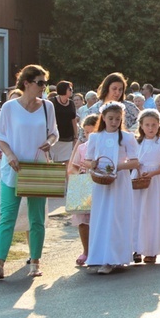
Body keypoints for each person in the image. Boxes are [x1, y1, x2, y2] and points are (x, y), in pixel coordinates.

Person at [0, 66, 58, 280]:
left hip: (37, 169)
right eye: (40, 83)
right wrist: (10, 155)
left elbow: (54, 132)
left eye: (45, 83)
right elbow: (1, 136)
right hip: (13, 168)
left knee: (36, 218)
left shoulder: (47, 107)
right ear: (26, 83)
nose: (44, 87)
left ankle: (35, 261)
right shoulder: (9, 107)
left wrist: (49, 142)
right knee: (7, 216)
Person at [85, 102, 140, 275]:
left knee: (117, 217)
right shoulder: (95, 137)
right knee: (102, 216)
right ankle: (101, 256)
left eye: (117, 119)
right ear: (103, 118)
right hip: (101, 183)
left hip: (119, 181)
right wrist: (93, 164)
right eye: (110, 118)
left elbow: (135, 161)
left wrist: (116, 167)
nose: (114, 122)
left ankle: (116, 256)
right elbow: (87, 160)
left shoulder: (126, 137)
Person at [132, 109, 160, 264]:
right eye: (147, 125)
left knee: (152, 213)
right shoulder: (137, 142)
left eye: (154, 125)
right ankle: (136, 247)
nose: (150, 128)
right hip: (138, 178)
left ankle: (151, 249)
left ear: (159, 125)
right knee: (137, 212)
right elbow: (132, 160)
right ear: (141, 126)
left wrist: (152, 174)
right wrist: (137, 170)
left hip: (155, 181)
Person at [68, 113, 99, 266]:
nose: (88, 135)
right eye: (86, 132)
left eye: (92, 132)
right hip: (83, 184)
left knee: (97, 219)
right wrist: (79, 175)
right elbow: (73, 167)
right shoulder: (81, 147)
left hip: (98, 184)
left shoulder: (102, 146)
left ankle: (98, 250)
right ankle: (86, 251)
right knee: (82, 220)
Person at [51, 80, 78, 163]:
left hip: (68, 137)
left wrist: (76, 136)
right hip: (55, 137)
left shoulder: (72, 104)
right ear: (63, 89)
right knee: (54, 161)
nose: (72, 91)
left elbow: (73, 120)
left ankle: (66, 176)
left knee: (68, 161)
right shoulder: (52, 102)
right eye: (70, 89)